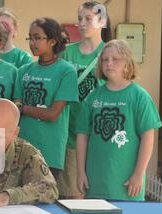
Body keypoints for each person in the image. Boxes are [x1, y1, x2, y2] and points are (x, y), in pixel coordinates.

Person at [76, 40, 162, 201]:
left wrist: (139, 174)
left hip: (127, 185)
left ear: (127, 63)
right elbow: (82, 136)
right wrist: (81, 172)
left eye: (115, 59)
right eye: (105, 59)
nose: (109, 63)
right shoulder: (93, 97)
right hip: (96, 184)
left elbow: (148, 137)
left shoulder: (139, 96)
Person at [56, 1, 112, 199]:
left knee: (97, 196)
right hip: (70, 132)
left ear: (102, 22)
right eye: (80, 18)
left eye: (89, 19)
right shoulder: (66, 53)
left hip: (99, 132)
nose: (83, 23)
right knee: (71, 194)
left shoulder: (109, 53)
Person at [13, 17, 78, 180]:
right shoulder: (23, 71)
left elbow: (52, 114)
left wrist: (24, 108)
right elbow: (15, 107)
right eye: (30, 37)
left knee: (42, 201)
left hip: (50, 151)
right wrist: (20, 108)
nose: (32, 42)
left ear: (52, 41)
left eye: (37, 37)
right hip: (22, 149)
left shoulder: (67, 71)